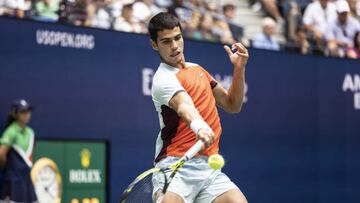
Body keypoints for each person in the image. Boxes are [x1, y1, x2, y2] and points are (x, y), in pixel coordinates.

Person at [148, 12, 248, 203]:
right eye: (166, 41)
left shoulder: (198, 70)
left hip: (208, 166)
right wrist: (199, 127)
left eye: (177, 38)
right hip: (176, 164)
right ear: (155, 45)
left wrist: (239, 68)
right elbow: (185, 106)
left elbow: (232, 105)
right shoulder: (163, 78)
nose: (175, 46)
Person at [0, 99, 37, 203]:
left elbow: (29, 157)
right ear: (15, 114)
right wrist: (9, 169)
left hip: (27, 181)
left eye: (28, 111)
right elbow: (1, 154)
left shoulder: (31, 133)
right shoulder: (10, 132)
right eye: (23, 112)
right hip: (13, 182)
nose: (27, 115)